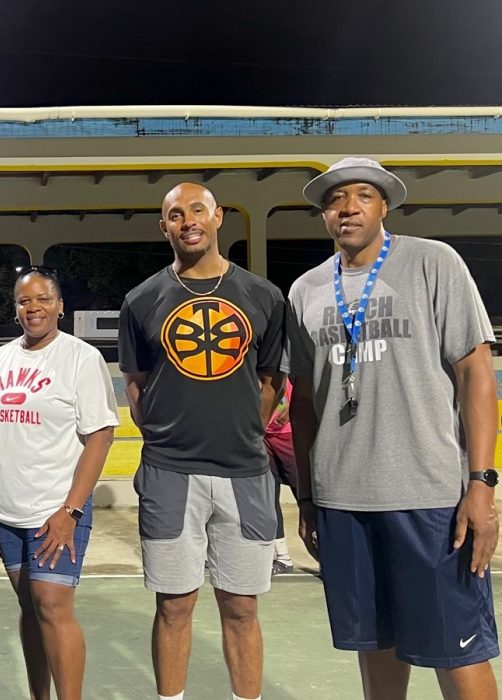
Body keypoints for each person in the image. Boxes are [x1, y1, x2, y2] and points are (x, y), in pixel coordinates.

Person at [288, 157, 498, 699]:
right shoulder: (306, 289)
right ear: (323, 214)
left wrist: (482, 483)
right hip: (343, 500)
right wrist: (309, 497)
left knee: (458, 651)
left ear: (384, 205)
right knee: (373, 649)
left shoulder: (433, 263)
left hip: (428, 497)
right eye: (335, 199)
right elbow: (306, 402)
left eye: (361, 196)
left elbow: (475, 370)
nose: (347, 208)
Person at [118, 183, 286, 700]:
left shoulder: (264, 296)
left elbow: (270, 383)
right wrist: (174, 437)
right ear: (163, 227)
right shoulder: (141, 300)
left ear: (217, 218)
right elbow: (137, 387)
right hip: (170, 474)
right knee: (173, 606)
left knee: (242, 607)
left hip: (245, 473)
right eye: (174, 214)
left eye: (196, 210)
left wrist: (240, 432)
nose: (186, 220)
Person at [0, 268, 118, 699]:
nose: (33, 307)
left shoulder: (81, 358)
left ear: (60, 306)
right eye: (23, 301)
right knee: (30, 609)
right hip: (4, 509)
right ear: (15, 308)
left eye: (42, 299)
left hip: (55, 509)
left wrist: (70, 510)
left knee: (53, 607)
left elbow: (100, 436)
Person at [265, 381, 297, 575]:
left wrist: (291, 409)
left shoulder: (288, 356)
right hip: (262, 436)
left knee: (304, 494)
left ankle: (328, 557)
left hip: (289, 435)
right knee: (269, 497)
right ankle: (283, 558)